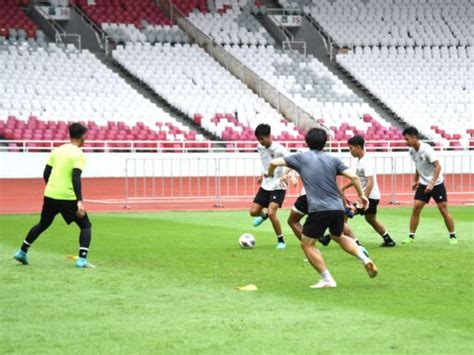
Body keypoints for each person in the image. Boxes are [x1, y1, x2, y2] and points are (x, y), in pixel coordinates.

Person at [268, 128, 378, 288]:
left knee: (307, 244)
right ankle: (365, 259)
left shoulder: (301, 158)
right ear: (325, 142)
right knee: (338, 236)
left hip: (319, 209)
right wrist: (362, 196)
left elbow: (273, 162)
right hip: (337, 208)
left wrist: (270, 174)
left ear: (307, 142)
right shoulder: (333, 159)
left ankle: (327, 279)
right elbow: (354, 176)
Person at [13, 122, 93, 267]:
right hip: (67, 197)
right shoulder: (79, 155)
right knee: (85, 226)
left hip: (50, 194)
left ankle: (22, 252)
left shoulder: (57, 151)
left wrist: (53, 188)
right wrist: (79, 201)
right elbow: (76, 177)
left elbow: (46, 173)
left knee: (43, 223)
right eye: (85, 136)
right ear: (81, 137)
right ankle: (82, 260)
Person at [402, 126, 457, 244]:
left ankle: (453, 236)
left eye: (407, 139)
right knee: (416, 208)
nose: (405, 142)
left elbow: (438, 167)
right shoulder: (411, 151)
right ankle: (411, 236)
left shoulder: (426, 149)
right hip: (423, 184)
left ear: (414, 137)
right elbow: (418, 166)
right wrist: (415, 180)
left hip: (436, 183)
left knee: (443, 209)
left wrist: (432, 184)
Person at [341, 135, 396, 247]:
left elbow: (370, 182)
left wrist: (363, 200)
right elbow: (357, 179)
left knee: (345, 214)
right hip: (371, 197)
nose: (350, 152)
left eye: (351, 148)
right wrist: (343, 188)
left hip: (370, 197)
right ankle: (388, 239)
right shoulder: (361, 161)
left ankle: (354, 243)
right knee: (371, 219)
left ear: (357, 147)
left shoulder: (367, 162)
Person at [250, 124, 290, 249]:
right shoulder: (260, 147)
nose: (260, 142)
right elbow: (265, 162)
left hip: (278, 184)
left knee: (272, 212)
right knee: (253, 212)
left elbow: (292, 162)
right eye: (258, 139)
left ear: (269, 136)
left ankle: (281, 240)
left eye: (262, 139)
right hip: (266, 183)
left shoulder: (280, 149)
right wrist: (262, 174)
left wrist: (285, 174)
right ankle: (264, 215)